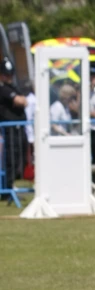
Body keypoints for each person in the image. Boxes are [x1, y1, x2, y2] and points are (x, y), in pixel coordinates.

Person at [0, 58, 28, 200]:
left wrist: (22, 100)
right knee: (10, 160)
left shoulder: (13, 87)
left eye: (10, 74)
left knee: (19, 159)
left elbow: (25, 101)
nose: (8, 77)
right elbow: (19, 100)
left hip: (18, 128)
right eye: (6, 74)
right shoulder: (3, 88)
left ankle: (10, 187)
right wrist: (21, 100)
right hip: (9, 129)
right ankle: (7, 190)